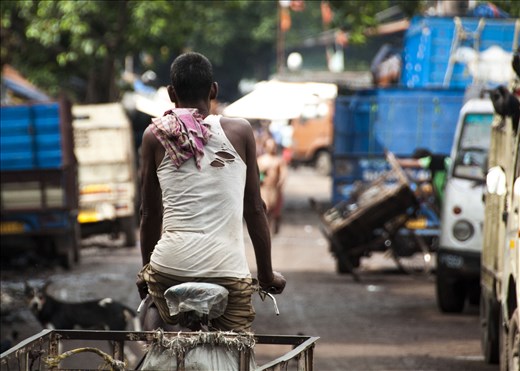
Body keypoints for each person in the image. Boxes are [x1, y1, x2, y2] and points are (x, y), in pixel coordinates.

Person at [136, 52, 286, 332]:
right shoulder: (241, 132)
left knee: (157, 309)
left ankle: (154, 349)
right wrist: (265, 276)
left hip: (169, 265)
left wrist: (147, 271)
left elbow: (149, 213)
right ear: (213, 89)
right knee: (237, 338)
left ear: (171, 93)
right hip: (227, 269)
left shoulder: (154, 136)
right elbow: (255, 208)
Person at [257, 137, 287, 234]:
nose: (272, 148)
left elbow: (283, 174)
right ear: (265, 147)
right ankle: (264, 230)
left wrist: (280, 184)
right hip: (263, 188)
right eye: (270, 146)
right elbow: (256, 174)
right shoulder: (260, 160)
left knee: (273, 212)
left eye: (273, 146)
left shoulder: (278, 161)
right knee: (265, 209)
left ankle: (269, 228)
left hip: (274, 189)